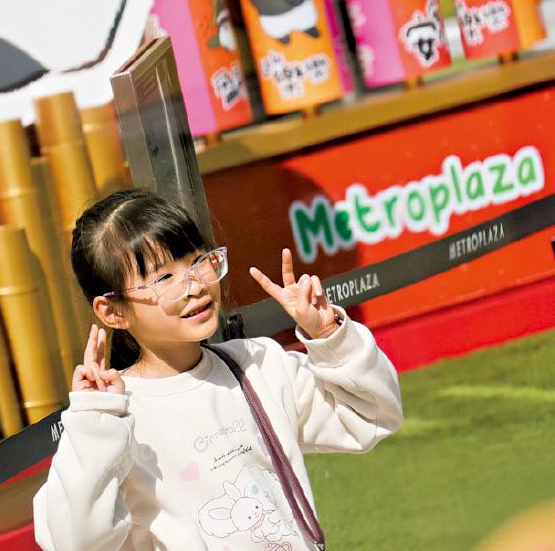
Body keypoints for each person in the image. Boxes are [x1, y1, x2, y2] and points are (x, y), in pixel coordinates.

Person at [33, 188, 402, 550]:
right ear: (113, 311)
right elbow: (74, 542)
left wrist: (328, 335)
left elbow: (371, 416)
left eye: (198, 260)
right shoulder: (113, 416)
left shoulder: (257, 365)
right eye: (164, 278)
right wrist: (95, 421)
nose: (194, 285)